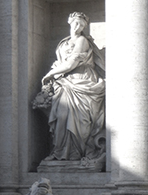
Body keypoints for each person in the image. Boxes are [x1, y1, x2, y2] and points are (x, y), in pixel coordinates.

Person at [40, 12, 106, 162]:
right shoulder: (63, 43)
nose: (78, 27)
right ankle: (59, 152)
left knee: (80, 121)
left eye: (82, 25)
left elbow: (71, 64)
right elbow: (62, 62)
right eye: (76, 23)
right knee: (61, 117)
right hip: (65, 83)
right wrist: (56, 70)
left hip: (82, 81)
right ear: (69, 21)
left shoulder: (82, 40)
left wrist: (50, 73)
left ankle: (76, 154)